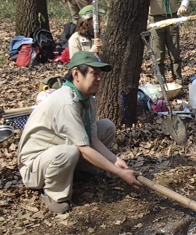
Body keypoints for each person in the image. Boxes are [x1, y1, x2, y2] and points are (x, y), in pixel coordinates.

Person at [17, 51, 143, 214]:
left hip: (60, 149)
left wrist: (114, 160)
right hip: (34, 165)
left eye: (99, 74)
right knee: (70, 151)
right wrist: (119, 173)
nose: (98, 78)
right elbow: (83, 148)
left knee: (106, 127)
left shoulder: (87, 98)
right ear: (76, 74)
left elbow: (93, 139)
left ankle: (79, 171)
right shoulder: (65, 103)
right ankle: (54, 193)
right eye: (93, 74)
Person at [149, 0, 189, 85]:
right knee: (158, 52)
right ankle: (159, 79)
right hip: (155, 19)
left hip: (172, 18)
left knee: (174, 50)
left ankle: (177, 78)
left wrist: (183, 6)